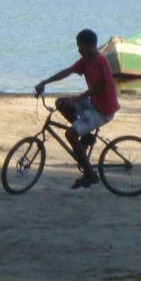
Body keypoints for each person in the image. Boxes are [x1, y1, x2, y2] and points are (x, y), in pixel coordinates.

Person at [35, 29, 120, 189]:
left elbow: (97, 86)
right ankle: (86, 136)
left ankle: (90, 174)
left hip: (103, 110)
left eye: (80, 46)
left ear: (89, 46)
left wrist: (77, 99)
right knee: (61, 103)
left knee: (70, 134)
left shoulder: (100, 61)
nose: (78, 50)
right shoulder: (86, 60)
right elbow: (67, 72)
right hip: (94, 104)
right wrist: (45, 82)